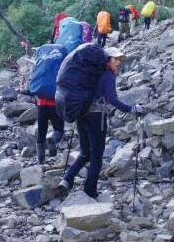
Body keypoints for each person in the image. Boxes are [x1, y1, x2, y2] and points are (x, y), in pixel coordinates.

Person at [58, 47, 145, 198]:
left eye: (120, 59)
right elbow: (112, 99)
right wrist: (132, 108)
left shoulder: (91, 73)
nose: (118, 62)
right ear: (107, 59)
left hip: (82, 114)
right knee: (97, 156)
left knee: (85, 153)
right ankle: (90, 191)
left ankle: (67, 179)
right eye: (115, 58)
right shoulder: (107, 75)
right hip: (96, 118)